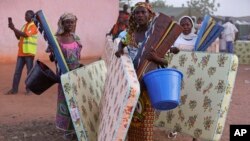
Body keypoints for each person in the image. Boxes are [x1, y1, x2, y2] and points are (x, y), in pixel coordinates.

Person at [115, 2, 171, 140]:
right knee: (130, 117)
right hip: (133, 83)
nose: (140, 15)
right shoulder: (131, 34)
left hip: (148, 84)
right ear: (133, 16)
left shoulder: (157, 35)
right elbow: (122, 42)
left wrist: (155, 58)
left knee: (145, 120)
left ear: (150, 15)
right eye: (137, 13)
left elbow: (167, 61)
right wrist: (119, 49)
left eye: (143, 12)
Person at [48, 13, 82, 140]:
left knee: (77, 101)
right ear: (62, 23)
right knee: (66, 101)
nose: (70, 24)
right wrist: (53, 52)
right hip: (64, 76)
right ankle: (67, 130)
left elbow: (78, 57)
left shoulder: (76, 38)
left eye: (72, 22)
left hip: (76, 75)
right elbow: (52, 58)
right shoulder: (56, 39)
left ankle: (76, 128)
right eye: (67, 22)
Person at [6, 10, 38, 95]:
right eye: (25, 15)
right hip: (21, 53)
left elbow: (25, 35)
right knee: (17, 72)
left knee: (29, 72)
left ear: (31, 17)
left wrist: (14, 28)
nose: (25, 17)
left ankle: (29, 90)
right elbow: (18, 36)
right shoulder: (24, 26)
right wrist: (13, 28)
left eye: (27, 15)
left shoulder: (33, 26)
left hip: (29, 54)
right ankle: (14, 89)